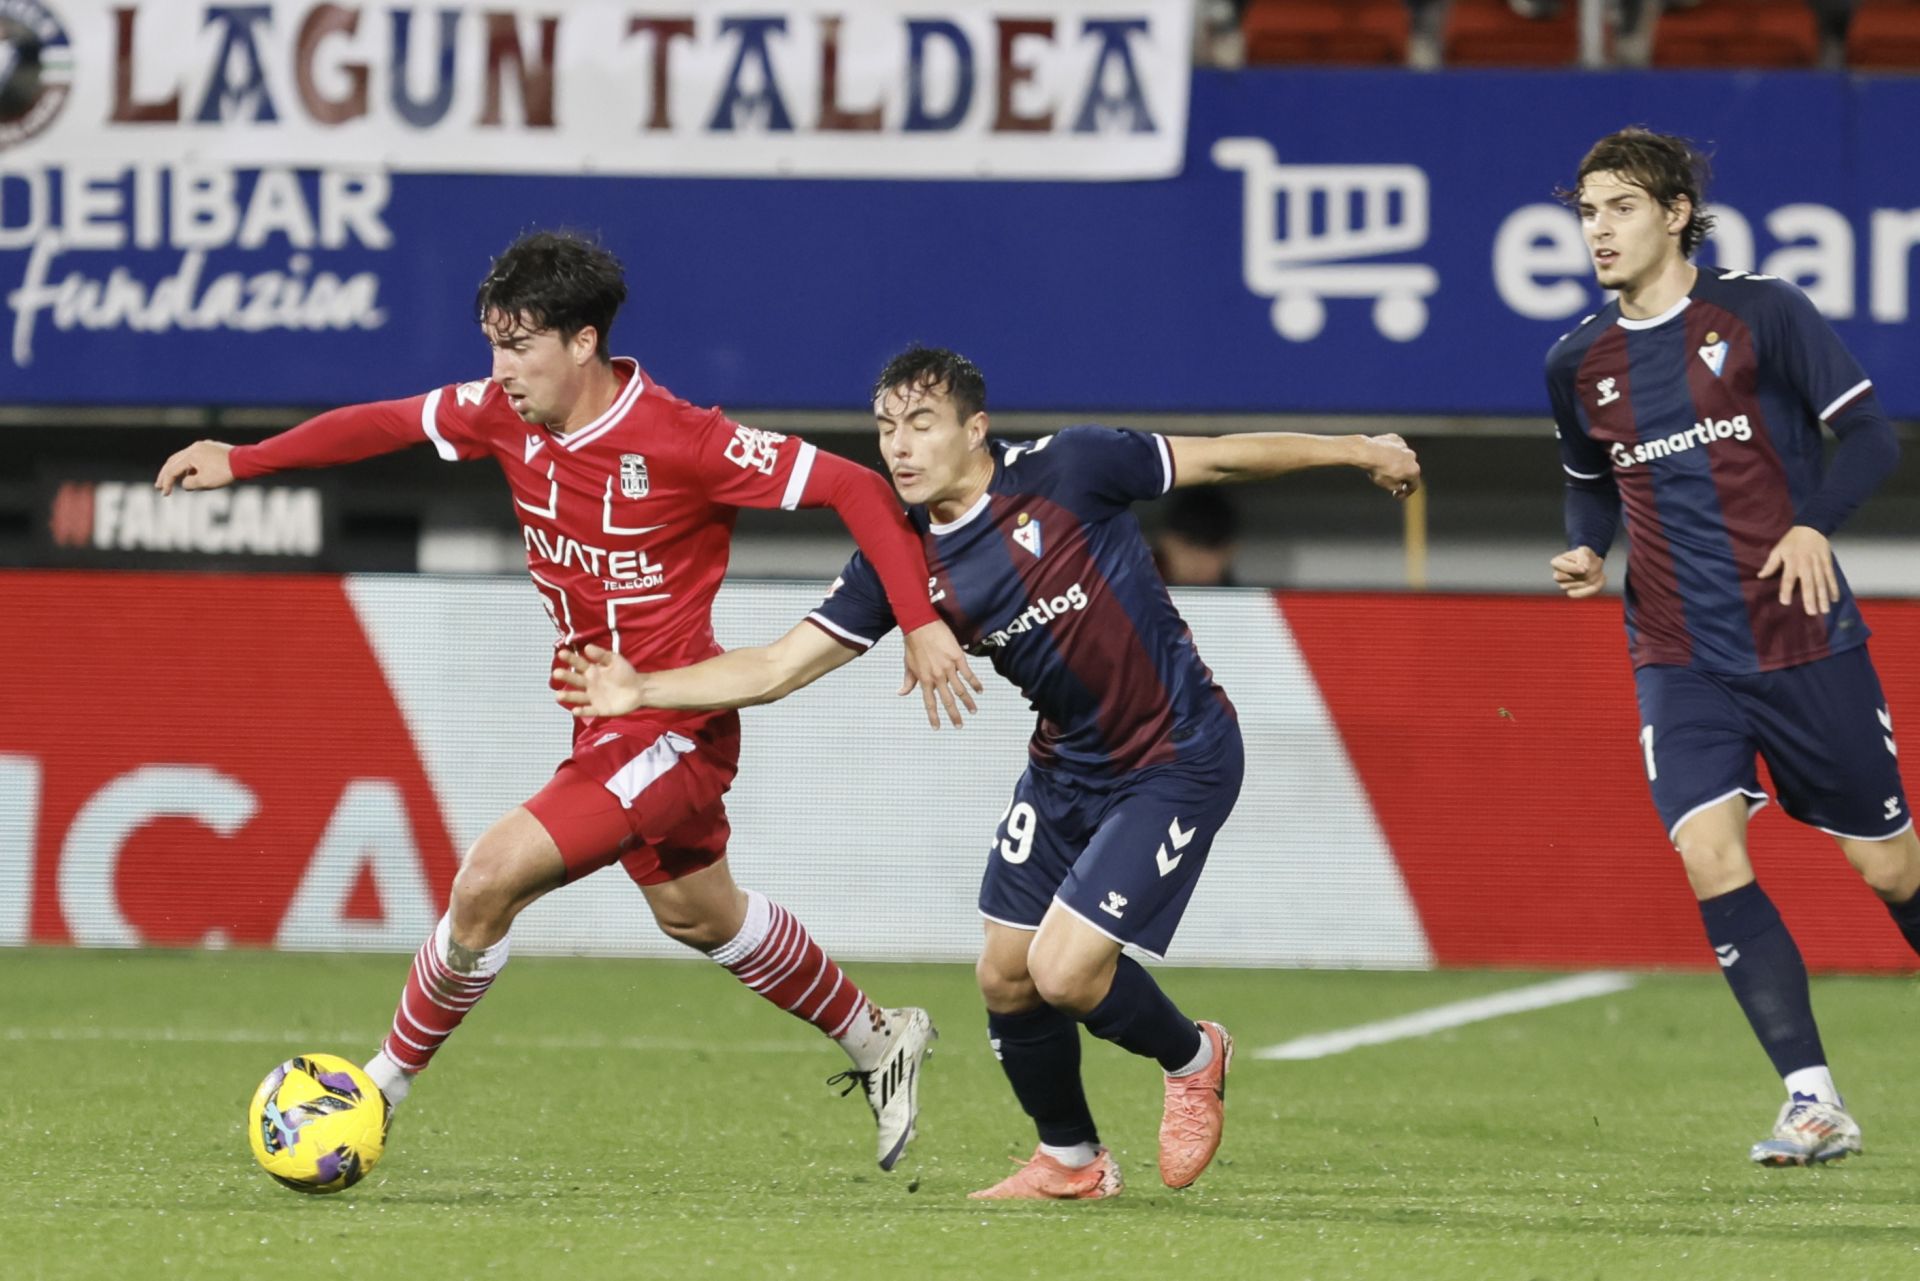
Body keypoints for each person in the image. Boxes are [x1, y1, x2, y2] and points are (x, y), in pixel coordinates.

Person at [154, 230, 984, 1173]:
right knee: (699, 914)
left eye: (520, 347)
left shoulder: (682, 438)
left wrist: (918, 620)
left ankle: (375, 1092)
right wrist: (246, 459)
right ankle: (880, 1037)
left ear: (583, 342)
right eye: (494, 345)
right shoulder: (500, 415)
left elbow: (856, 487)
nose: (500, 370)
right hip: (603, 720)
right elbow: (382, 422)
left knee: (487, 877)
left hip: (674, 724)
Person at [553, 346, 1421, 1198]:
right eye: (887, 427)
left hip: (1176, 752)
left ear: (978, 427)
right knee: (1004, 973)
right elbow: (779, 666)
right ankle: (1072, 1163)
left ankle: (1196, 1057)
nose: (899, 445)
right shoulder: (898, 560)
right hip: (1065, 771)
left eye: (921, 423)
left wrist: (1359, 449)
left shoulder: (1072, 467)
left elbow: (1226, 457)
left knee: (1067, 972)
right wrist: (642, 688)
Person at [1546, 128, 1915, 1166]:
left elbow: (1874, 436)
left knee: (1890, 871)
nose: (1598, 230)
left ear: (1674, 213)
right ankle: (1812, 1099)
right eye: (1585, 212)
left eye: (1619, 208)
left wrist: (1813, 525)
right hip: (1677, 654)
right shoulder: (1576, 361)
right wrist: (1584, 550)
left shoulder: (1763, 314)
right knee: (1708, 852)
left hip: (1804, 643)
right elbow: (1587, 478)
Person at [1151, 486, 1243, 587]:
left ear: (1230, 550)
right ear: (1165, 542)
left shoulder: (1245, 601)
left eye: (1210, 548)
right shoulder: (1138, 596)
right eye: (1188, 545)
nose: (1198, 562)